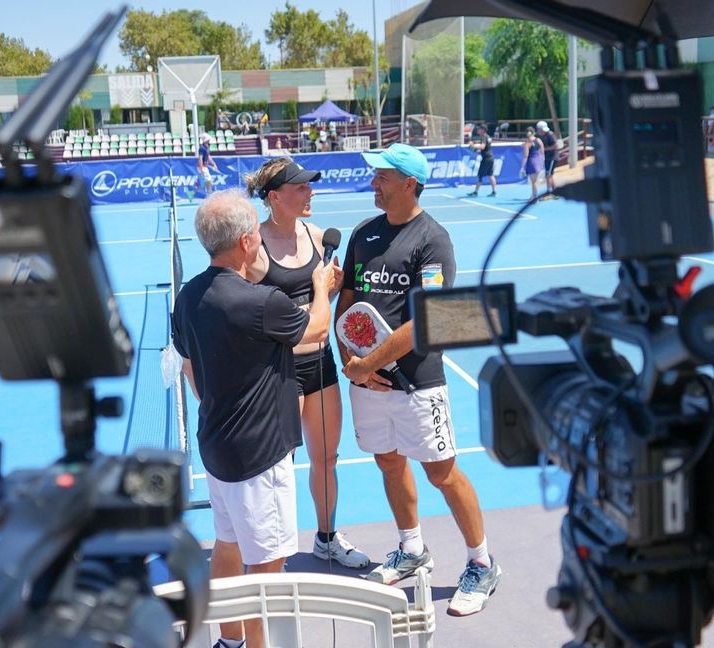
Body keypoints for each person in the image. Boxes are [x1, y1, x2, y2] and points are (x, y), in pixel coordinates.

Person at [337, 143, 502, 617]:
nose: (374, 184)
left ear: (409, 183)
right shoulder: (363, 234)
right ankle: (412, 549)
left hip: (418, 381)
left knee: (441, 472)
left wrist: (368, 366)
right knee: (388, 462)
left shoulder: (434, 240)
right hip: (366, 380)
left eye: (382, 177)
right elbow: (348, 304)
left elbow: (425, 320)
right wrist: (353, 362)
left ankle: (481, 563)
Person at [172, 189, 338, 648]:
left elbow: (188, 362)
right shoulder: (261, 302)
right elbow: (318, 328)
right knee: (266, 566)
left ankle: (228, 641)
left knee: (227, 545)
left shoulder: (188, 297)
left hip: (217, 446)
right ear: (247, 242)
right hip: (260, 455)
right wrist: (322, 288)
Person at [244, 157, 368, 570]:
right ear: (275, 197)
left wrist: (326, 291)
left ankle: (326, 537)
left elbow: (319, 307)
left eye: (309, 186)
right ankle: (271, 550)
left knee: (327, 458)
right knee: (279, 467)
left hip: (321, 366)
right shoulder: (253, 247)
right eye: (300, 188)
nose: (310, 192)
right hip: (276, 371)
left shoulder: (318, 238)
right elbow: (241, 311)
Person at [466, 124, 497, 197]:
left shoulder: (484, 137)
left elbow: (482, 147)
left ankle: (476, 192)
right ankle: (494, 191)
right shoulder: (488, 137)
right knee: (491, 175)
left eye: (480, 129)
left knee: (480, 175)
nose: (478, 130)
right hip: (490, 157)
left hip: (486, 159)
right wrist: (474, 149)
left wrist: (473, 145)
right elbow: (484, 149)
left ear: (483, 130)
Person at [519, 126, 545, 201]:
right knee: (535, 181)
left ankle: (536, 197)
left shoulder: (528, 143)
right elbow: (542, 152)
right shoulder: (539, 140)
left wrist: (522, 167)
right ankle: (533, 196)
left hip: (532, 162)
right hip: (539, 162)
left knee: (534, 181)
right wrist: (542, 162)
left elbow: (525, 156)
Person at [537, 120, 559, 197]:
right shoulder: (541, 136)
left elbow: (556, 146)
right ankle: (556, 192)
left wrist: (545, 149)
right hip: (547, 158)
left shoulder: (550, 135)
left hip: (552, 158)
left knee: (548, 175)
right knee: (550, 175)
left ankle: (548, 193)